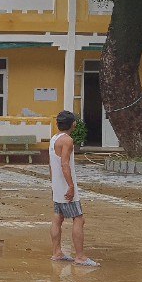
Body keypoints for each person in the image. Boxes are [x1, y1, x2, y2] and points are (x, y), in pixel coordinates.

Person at [49, 110, 98, 267]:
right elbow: (64, 164)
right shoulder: (67, 141)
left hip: (57, 185)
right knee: (79, 219)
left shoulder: (53, 139)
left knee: (58, 217)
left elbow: (51, 164)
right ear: (73, 124)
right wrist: (71, 186)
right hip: (65, 185)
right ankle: (80, 256)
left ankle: (57, 252)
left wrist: (54, 184)